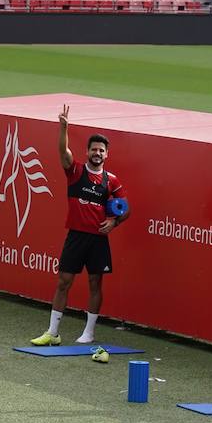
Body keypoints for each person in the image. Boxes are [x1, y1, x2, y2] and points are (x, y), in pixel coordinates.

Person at [31, 105, 129, 346]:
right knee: (64, 281)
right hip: (76, 237)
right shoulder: (75, 171)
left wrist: (114, 222)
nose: (97, 153)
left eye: (101, 150)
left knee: (95, 283)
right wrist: (63, 127)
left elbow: (125, 208)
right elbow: (63, 151)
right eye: (94, 149)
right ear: (87, 152)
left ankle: (89, 333)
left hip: (98, 240)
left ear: (107, 154)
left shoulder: (111, 180)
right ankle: (53, 333)